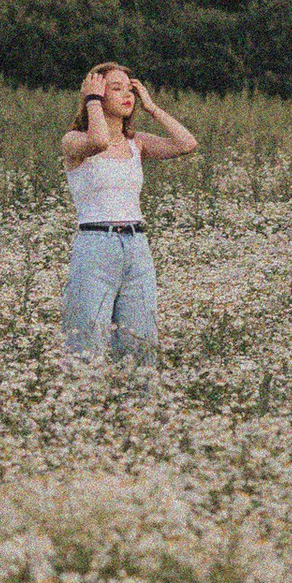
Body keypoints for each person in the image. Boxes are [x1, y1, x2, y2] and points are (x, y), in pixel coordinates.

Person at [60, 61, 198, 360]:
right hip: (96, 243)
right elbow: (98, 141)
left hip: (137, 245)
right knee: (87, 342)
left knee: (140, 342)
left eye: (130, 88)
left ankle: (138, 404)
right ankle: (85, 402)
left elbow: (187, 143)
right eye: (116, 88)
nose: (127, 95)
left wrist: (152, 108)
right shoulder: (74, 141)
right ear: (96, 94)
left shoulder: (137, 143)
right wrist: (92, 101)